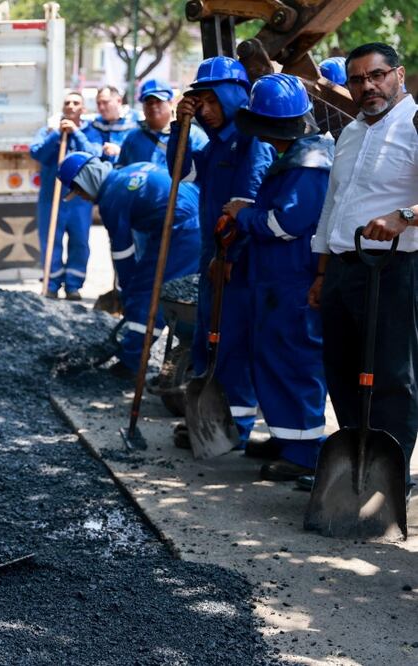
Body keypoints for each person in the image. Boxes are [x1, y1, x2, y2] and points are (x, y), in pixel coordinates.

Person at [309, 42, 418, 493]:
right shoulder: (352, 131)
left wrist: (405, 216)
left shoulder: (414, 124)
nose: (367, 86)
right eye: (357, 79)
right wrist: (322, 272)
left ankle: (388, 480)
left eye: (377, 75)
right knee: (342, 370)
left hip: (394, 269)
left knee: (392, 376)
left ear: (399, 74)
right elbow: (333, 203)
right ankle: (354, 468)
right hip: (342, 269)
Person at [220, 74, 331, 482]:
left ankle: (305, 452)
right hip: (277, 279)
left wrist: (243, 214)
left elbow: (287, 223)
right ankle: (288, 437)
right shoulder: (296, 156)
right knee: (273, 359)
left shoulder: (309, 165)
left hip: (293, 281)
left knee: (294, 361)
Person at [170, 56, 275, 450]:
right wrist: (179, 127)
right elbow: (180, 172)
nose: (206, 111)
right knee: (207, 339)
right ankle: (208, 420)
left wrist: (229, 257)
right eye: (201, 102)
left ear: (234, 96)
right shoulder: (215, 145)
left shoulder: (251, 141)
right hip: (212, 255)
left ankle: (236, 427)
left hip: (237, 261)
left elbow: (246, 203)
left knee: (231, 343)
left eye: (213, 101)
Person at [58, 153, 200, 377]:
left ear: (86, 179)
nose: (83, 199)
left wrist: (128, 291)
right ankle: (190, 345)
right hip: (191, 221)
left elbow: (123, 253)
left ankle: (132, 361)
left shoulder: (112, 199)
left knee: (149, 295)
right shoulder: (129, 171)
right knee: (173, 293)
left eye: (79, 192)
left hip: (183, 231)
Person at [29, 90, 100, 299]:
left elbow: (94, 155)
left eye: (76, 103)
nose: (71, 106)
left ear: (83, 109)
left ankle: (73, 286)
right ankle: (51, 284)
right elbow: (37, 153)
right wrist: (56, 135)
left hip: (79, 200)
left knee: (80, 242)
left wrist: (76, 133)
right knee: (51, 241)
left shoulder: (91, 132)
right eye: (67, 102)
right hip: (51, 198)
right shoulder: (49, 131)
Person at [117, 80, 208, 167]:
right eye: (149, 102)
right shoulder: (133, 137)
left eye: (159, 101)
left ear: (171, 103)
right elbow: (122, 168)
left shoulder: (192, 135)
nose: (153, 106)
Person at [85, 86, 138, 163]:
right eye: (98, 103)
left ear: (119, 101)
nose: (101, 107)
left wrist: (120, 152)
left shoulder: (137, 120)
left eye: (105, 102)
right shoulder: (97, 123)